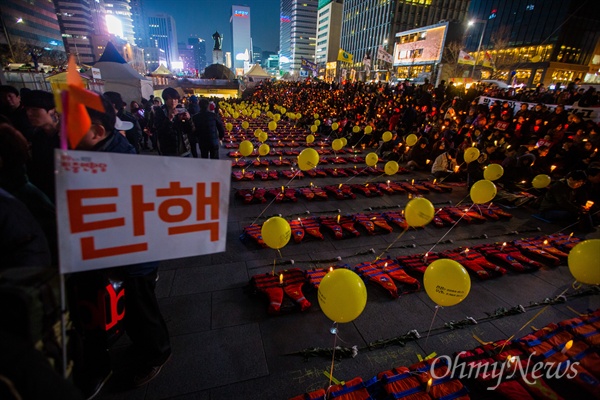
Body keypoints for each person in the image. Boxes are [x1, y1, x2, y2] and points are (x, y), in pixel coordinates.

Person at [71, 94, 171, 398]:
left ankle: (157, 354)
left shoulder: (118, 162)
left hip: (135, 255)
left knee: (142, 310)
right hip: (114, 251)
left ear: (98, 132)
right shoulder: (92, 156)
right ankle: (142, 346)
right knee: (128, 308)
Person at [153, 88, 194, 157]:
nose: (173, 101)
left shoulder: (182, 110)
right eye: (170, 99)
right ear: (165, 100)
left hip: (184, 149)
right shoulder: (160, 112)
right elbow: (160, 131)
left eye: (175, 99)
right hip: (168, 151)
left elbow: (190, 130)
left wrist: (189, 119)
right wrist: (169, 119)